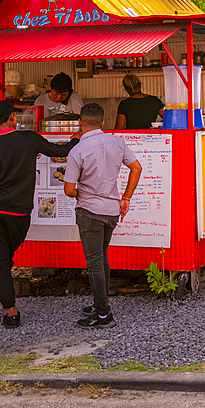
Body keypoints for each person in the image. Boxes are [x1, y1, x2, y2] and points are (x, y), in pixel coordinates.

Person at [0, 100, 82, 327]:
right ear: (12, 117)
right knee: (1, 261)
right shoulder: (29, 140)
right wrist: (77, 136)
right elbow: (60, 152)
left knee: (1, 261)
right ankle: (8, 310)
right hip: (19, 214)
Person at [63, 103, 142, 328]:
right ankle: (101, 303)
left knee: (94, 261)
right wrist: (126, 197)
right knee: (101, 256)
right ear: (103, 122)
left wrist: (81, 193)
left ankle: (103, 315)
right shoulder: (117, 141)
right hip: (111, 210)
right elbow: (136, 168)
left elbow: (69, 190)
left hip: (89, 211)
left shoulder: (77, 150)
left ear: (80, 123)